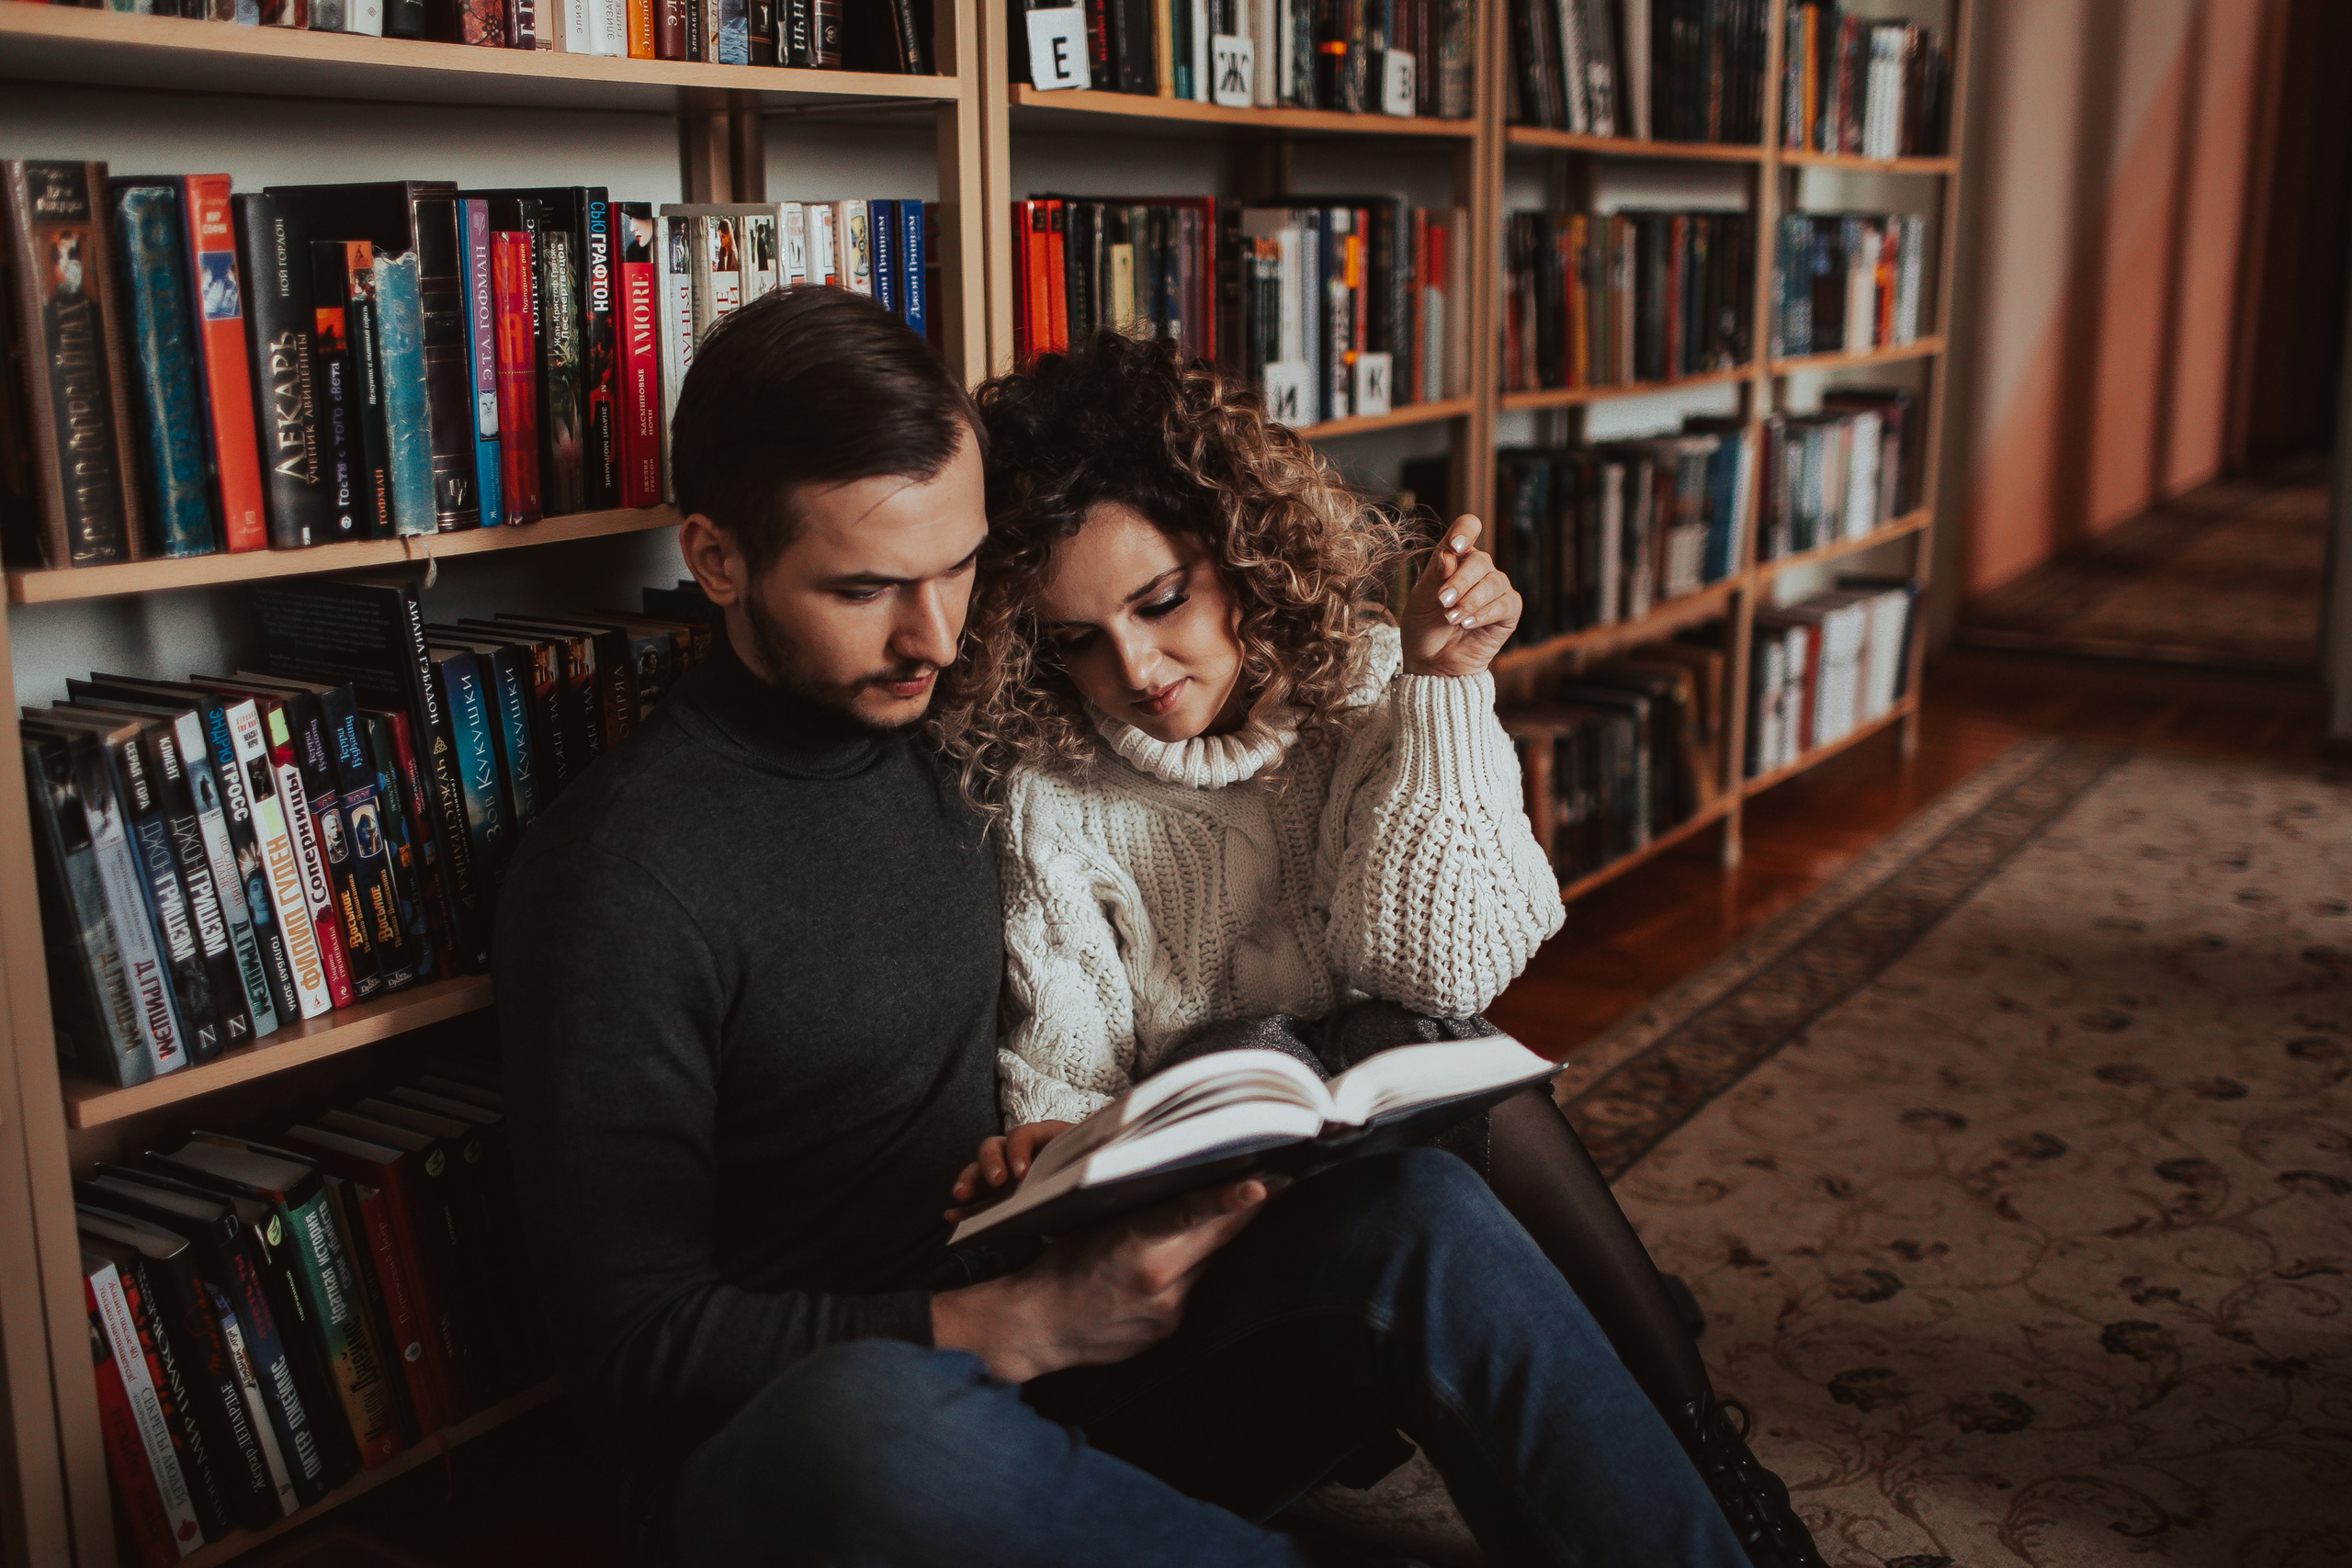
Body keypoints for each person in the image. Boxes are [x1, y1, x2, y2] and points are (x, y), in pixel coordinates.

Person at [496, 288, 1750, 1567]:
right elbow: (634, 1360)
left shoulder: (972, 729)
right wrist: (1028, 1319)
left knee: (1419, 1209)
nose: (933, 637)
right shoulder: (622, 874)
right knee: (866, 1429)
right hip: (839, 1430)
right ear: (716, 560)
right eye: (867, 588)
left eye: (960, 568)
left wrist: (1085, 1161)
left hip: (1083, 1342)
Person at [933, 329, 1825, 1568]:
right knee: (1343, 1042)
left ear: (1238, 548)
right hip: (1213, 1254)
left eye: (1160, 602)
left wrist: (1447, 684)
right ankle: (1682, 1430)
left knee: (1411, 1035)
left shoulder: (1368, 682)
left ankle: (1713, 1467)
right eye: (1075, 638)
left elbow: (1448, 970)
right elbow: (1061, 1078)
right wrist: (1059, 1139)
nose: (1133, 669)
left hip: (1404, 1195)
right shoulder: (1051, 792)